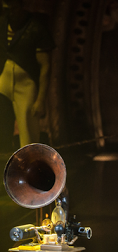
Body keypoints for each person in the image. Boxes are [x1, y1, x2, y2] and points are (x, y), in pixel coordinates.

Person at [0, 0, 54, 151]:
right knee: (2, 126)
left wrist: (40, 99)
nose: (10, 13)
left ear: (21, 6)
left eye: (13, 8)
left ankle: (29, 160)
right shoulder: (2, 24)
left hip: (26, 85)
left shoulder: (36, 28)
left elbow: (45, 65)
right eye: (6, 9)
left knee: (28, 131)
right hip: (3, 81)